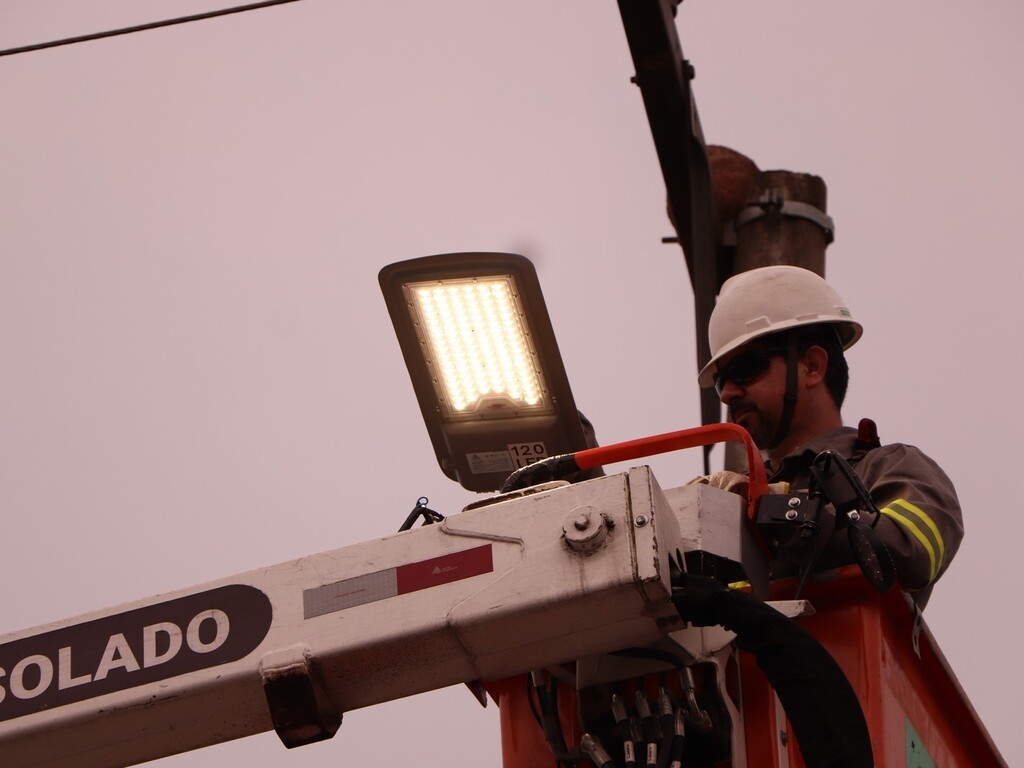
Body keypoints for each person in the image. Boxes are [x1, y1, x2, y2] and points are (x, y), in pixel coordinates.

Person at [695, 265, 962, 608]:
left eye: (745, 369)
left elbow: (909, 551)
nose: (727, 393)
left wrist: (773, 507)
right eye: (721, 381)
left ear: (812, 367)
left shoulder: (892, 468)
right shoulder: (733, 496)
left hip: (837, 660)